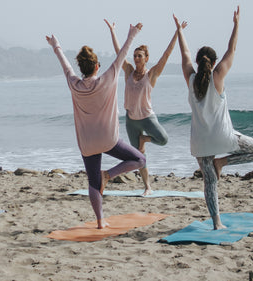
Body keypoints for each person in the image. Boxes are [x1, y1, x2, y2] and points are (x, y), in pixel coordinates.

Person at [46, 23, 146, 229]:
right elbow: (122, 56)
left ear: (82, 68)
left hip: (87, 143)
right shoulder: (106, 80)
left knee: (92, 183)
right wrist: (132, 35)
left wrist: (56, 46)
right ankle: (108, 175)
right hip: (108, 139)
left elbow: (65, 65)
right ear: (97, 66)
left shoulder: (74, 84)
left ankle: (100, 222)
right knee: (140, 159)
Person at [174, 7, 253, 229]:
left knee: (210, 183)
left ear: (198, 63)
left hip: (200, 143)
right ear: (214, 63)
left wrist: (179, 31)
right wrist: (236, 24)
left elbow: (184, 55)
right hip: (224, 138)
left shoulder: (191, 79)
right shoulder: (218, 76)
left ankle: (217, 223)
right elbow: (232, 49)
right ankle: (223, 161)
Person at [104, 19, 185, 196]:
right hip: (131, 121)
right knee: (139, 159)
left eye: (140, 55)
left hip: (148, 118)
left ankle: (145, 140)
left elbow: (166, 54)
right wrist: (112, 31)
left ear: (146, 58)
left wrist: (177, 32)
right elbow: (120, 52)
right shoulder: (128, 71)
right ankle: (147, 187)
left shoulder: (152, 74)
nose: (136, 58)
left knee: (163, 139)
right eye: (135, 55)